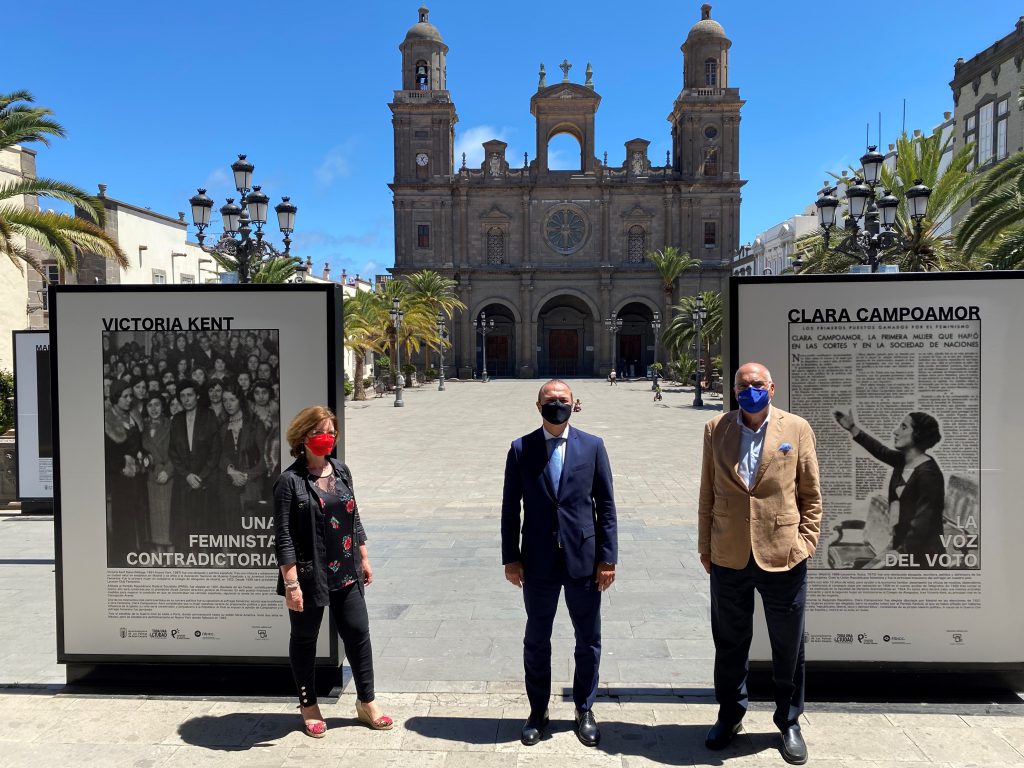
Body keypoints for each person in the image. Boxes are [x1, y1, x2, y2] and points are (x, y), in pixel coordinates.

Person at [698, 362, 821, 766]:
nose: (749, 390)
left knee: (789, 643)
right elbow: (707, 492)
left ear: (771, 388)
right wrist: (705, 547)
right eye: (742, 385)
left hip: (783, 553)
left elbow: (811, 493)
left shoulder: (796, 428)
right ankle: (730, 714)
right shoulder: (717, 429)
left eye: (756, 384)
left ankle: (788, 721)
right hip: (729, 552)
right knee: (730, 642)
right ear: (734, 391)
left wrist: (805, 543)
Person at [501, 379, 617, 748]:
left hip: (584, 560)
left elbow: (607, 507)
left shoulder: (593, 447)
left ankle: (584, 708)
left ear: (574, 404)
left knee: (588, 639)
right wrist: (511, 558)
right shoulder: (521, 449)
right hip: (536, 562)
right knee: (537, 638)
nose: (556, 405)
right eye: (549, 400)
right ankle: (538, 711)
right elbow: (509, 509)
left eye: (562, 400)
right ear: (538, 407)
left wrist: (608, 558)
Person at [274, 405, 392, 738]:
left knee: (358, 632)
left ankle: (367, 701)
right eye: (322, 432)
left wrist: (364, 556)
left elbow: (353, 516)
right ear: (304, 437)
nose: (329, 438)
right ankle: (308, 704)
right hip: (310, 575)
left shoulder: (340, 471)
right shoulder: (290, 481)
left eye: (332, 432)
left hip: (347, 569)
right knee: (305, 638)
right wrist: (291, 583)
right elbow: (283, 535)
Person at [833, 410, 944, 566]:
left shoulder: (929, 475)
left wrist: (895, 556)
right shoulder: (903, 461)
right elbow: (879, 450)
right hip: (900, 549)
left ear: (918, 434)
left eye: (903, 427)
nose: (895, 432)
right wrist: (852, 428)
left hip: (921, 557)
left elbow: (921, 529)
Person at [168, 379, 221, 552]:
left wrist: (201, 476)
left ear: (197, 396)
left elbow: (215, 451)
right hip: (184, 481)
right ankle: (186, 559)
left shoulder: (209, 416)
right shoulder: (176, 419)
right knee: (183, 525)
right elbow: (172, 452)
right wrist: (187, 475)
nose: (186, 399)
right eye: (182, 396)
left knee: (203, 524)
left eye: (190, 395)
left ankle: (204, 560)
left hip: (204, 481)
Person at [104, 380, 150, 565]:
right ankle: (123, 559)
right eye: (125, 396)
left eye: (131, 396)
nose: (130, 399)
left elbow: (140, 446)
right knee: (123, 518)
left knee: (139, 516)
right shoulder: (107, 420)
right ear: (116, 398)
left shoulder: (134, 417)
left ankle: (138, 555)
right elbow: (105, 454)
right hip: (119, 479)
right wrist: (121, 464)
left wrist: (144, 456)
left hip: (138, 478)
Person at [217, 383, 267, 537]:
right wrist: (230, 470)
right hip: (228, 483)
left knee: (250, 532)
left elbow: (266, 459)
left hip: (250, 484)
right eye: (225, 400)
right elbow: (217, 455)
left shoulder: (255, 425)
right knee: (230, 531)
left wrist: (246, 476)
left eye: (232, 399)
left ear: (240, 401)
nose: (228, 404)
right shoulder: (223, 426)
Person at [140, 395, 174, 554]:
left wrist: (168, 472)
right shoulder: (143, 426)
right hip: (151, 476)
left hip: (168, 475)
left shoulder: (171, 424)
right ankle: (159, 555)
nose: (153, 409)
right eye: (149, 405)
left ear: (163, 406)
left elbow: (178, 454)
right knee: (156, 517)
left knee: (168, 516)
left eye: (157, 405)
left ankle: (172, 556)